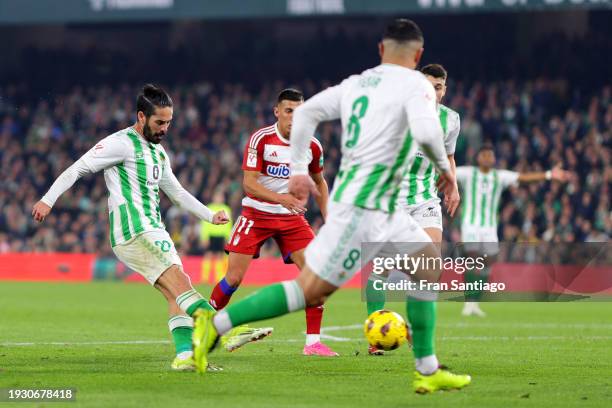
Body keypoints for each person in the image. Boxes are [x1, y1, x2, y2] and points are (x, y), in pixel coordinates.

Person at [191, 19, 471, 394]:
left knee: (428, 269)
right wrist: (445, 171)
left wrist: (295, 171)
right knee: (310, 291)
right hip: (362, 207)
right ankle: (215, 324)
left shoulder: (357, 84)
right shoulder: (417, 86)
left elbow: (307, 114)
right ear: (418, 55)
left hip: (381, 206)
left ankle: (427, 368)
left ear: (380, 50)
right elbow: (424, 132)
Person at [31, 84, 271, 372]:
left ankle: (185, 357)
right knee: (181, 284)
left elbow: (178, 193)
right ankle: (228, 331)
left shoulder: (158, 154)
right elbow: (78, 168)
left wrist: (209, 215)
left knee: (176, 293)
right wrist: (47, 200)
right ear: (141, 117)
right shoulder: (120, 143)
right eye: (159, 122)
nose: (165, 128)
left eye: (169, 122)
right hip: (134, 231)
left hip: (154, 230)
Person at [208, 88, 338, 356]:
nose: (295, 117)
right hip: (256, 215)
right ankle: (204, 325)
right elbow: (249, 184)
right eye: (289, 111)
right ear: (277, 112)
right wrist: (282, 200)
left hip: (291, 219)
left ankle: (312, 343)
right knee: (233, 278)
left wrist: (331, 219)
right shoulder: (262, 139)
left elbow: (320, 183)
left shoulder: (312, 145)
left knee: (317, 275)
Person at [365, 63, 461, 356]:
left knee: (430, 269)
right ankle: (375, 337)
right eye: (428, 85)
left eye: (439, 86)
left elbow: (449, 157)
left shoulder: (451, 120)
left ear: (444, 89)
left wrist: (453, 185)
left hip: (425, 200)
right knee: (380, 269)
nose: (433, 91)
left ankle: (417, 334)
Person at [456, 144, 571, 316]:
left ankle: (475, 302)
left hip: (489, 227)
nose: (488, 158)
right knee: (473, 260)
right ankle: (468, 302)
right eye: (484, 155)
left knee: (488, 263)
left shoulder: (499, 176)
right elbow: (446, 170)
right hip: (470, 225)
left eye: (490, 155)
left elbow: (524, 178)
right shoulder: (468, 173)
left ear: (494, 159)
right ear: (478, 158)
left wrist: (548, 174)